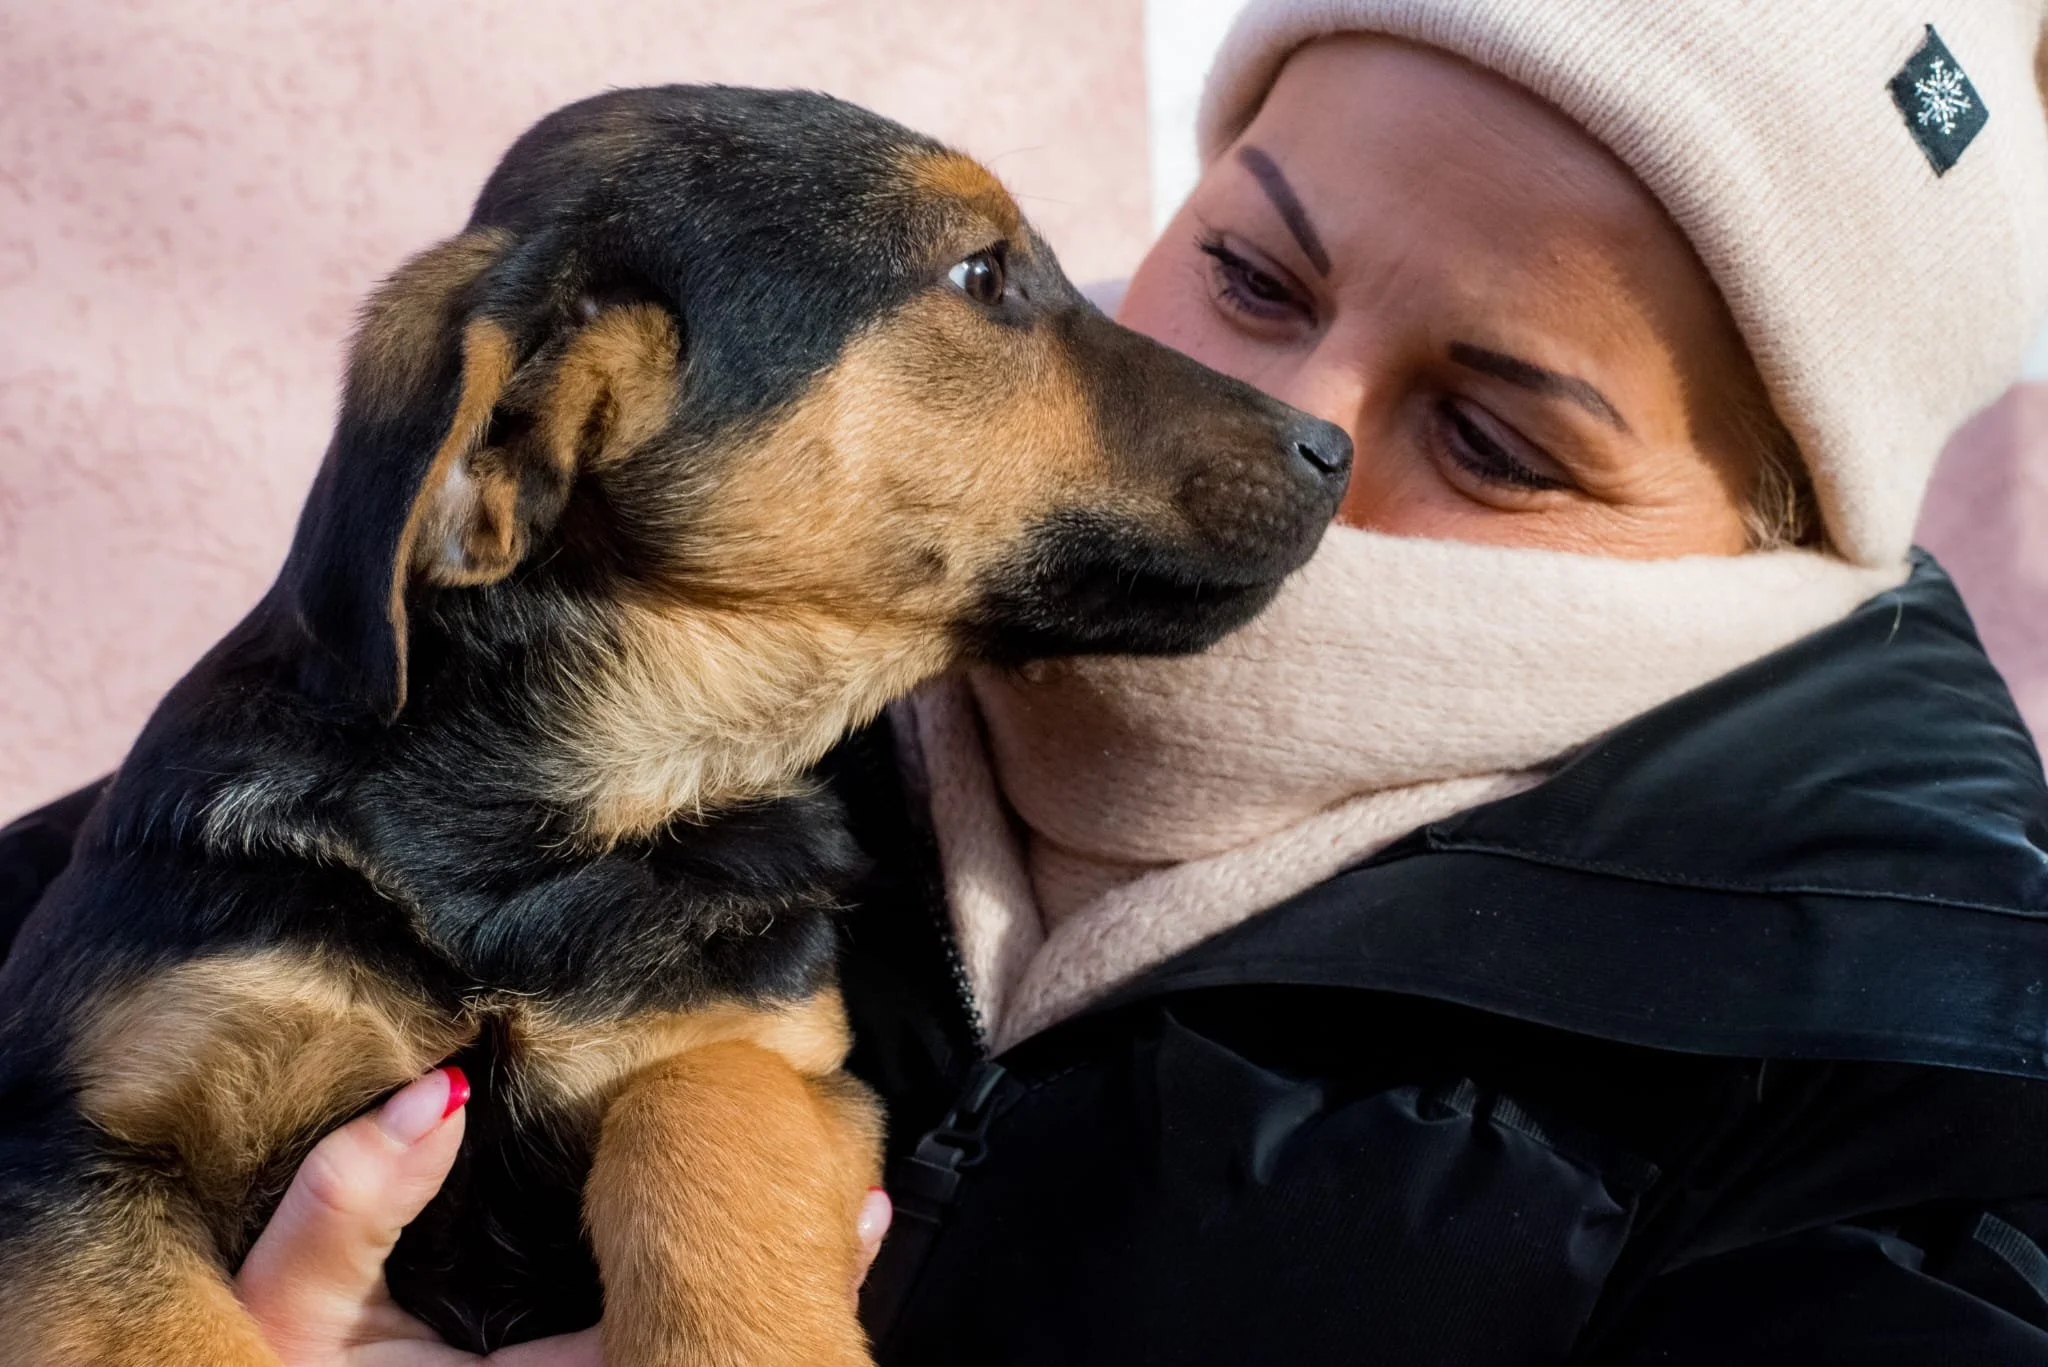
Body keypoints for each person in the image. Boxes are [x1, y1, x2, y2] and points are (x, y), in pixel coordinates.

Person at [3, 1, 2046, 1361]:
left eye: (1498, 439)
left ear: (1777, 541)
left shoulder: (1924, 1114)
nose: (1289, 427)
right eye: (1247, 272)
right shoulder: (741, 675)